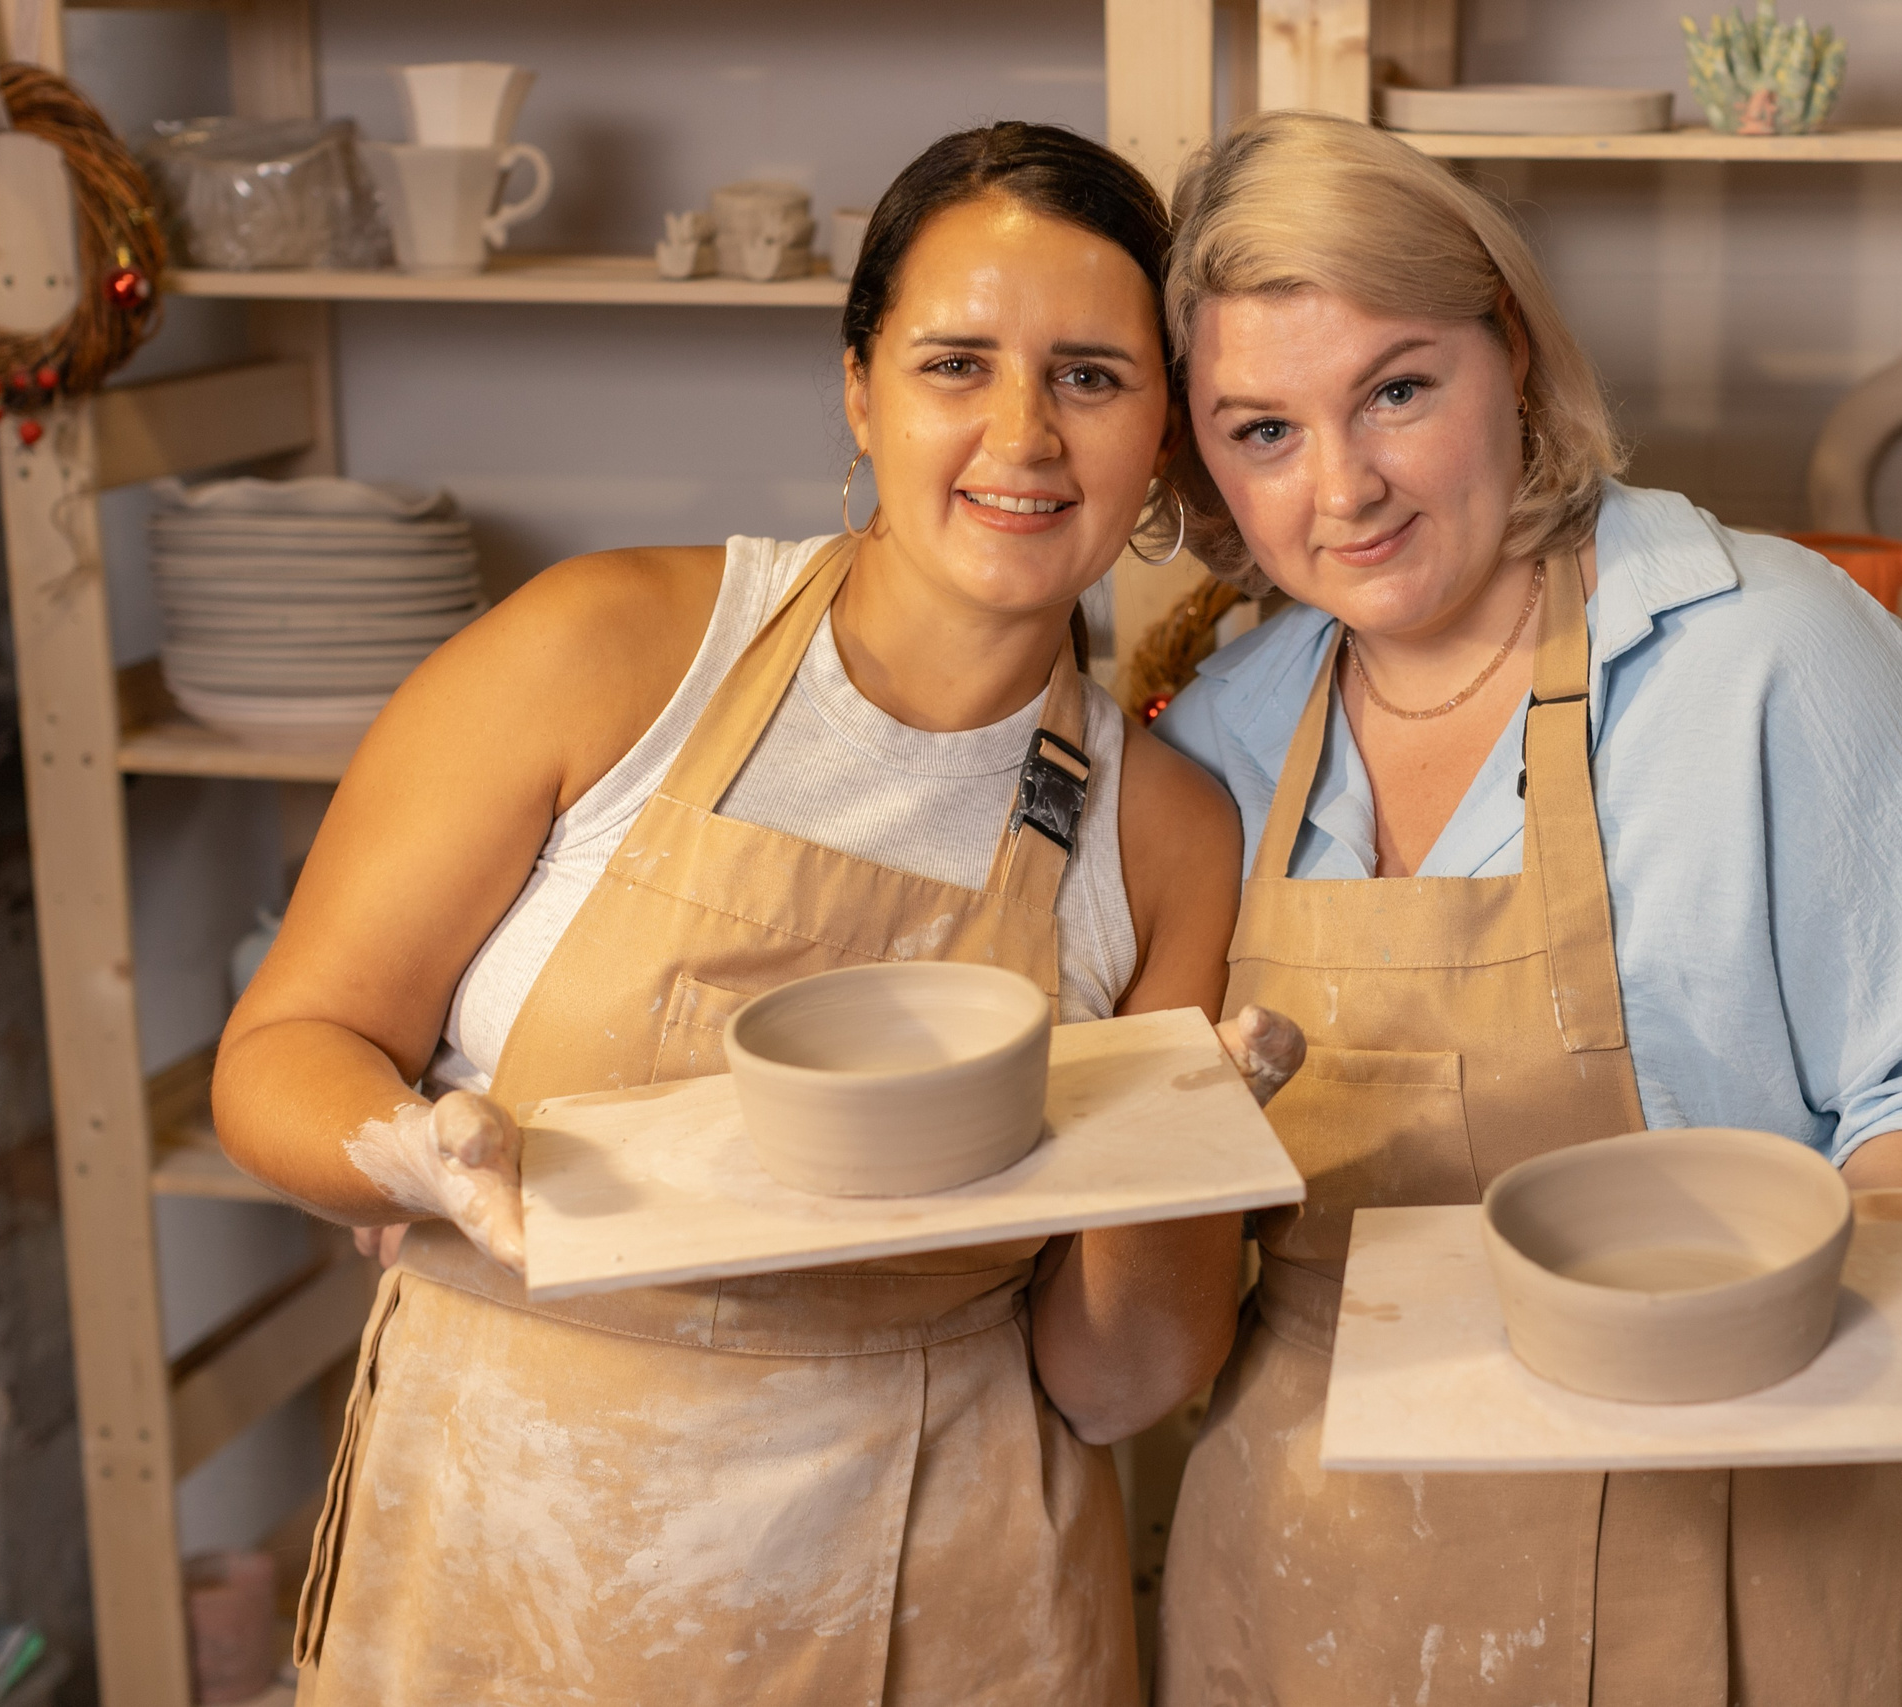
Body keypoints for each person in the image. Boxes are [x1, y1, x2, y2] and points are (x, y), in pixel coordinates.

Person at [214, 121, 1300, 1705]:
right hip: (509, 1566)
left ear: (1162, 435)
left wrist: (1173, 1146)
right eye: (954, 364)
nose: (1023, 434)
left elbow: (1115, 1382)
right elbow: (283, 1051)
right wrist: (420, 1159)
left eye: (1090, 376)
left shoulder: (1170, 834)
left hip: (942, 1597)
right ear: (859, 391)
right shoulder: (601, 652)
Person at [1147, 110, 1902, 1706]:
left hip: (1719, 1518)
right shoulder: (1219, 744)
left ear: (1511, 352)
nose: (1345, 487)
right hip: (1310, 1557)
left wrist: (1748, 1301)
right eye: (1264, 430)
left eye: (1398, 390)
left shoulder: (1766, 650)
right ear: (1202, 455)